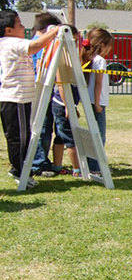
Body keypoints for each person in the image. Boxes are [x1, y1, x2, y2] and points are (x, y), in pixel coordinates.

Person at [0, 10, 58, 187]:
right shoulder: (10, 43)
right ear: (8, 30)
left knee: (23, 136)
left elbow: (34, 44)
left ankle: (20, 169)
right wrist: (54, 32)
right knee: (19, 138)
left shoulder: (13, 42)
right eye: (19, 24)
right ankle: (20, 171)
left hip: (20, 98)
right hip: (14, 98)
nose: (23, 27)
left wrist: (44, 34)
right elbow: (34, 47)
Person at [30, 12, 62, 177]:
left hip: (45, 92)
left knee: (45, 127)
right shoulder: (37, 45)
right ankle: (38, 163)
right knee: (41, 128)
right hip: (38, 92)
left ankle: (41, 160)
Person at [49, 25, 82, 177]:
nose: (75, 44)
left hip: (63, 103)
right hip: (62, 103)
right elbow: (62, 83)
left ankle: (57, 166)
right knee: (70, 137)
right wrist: (69, 106)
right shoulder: (61, 54)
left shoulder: (69, 54)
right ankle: (77, 169)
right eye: (74, 40)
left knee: (61, 136)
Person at [82, 28, 114, 175]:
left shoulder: (89, 58)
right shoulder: (100, 60)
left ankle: (92, 164)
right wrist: (97, 104)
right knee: (99, 135)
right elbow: (98, 83)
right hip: (97, 102)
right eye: (109, 46)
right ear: (102, 44)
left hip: (90, 100)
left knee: (92, 133)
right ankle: (95, 167)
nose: (110, 50)